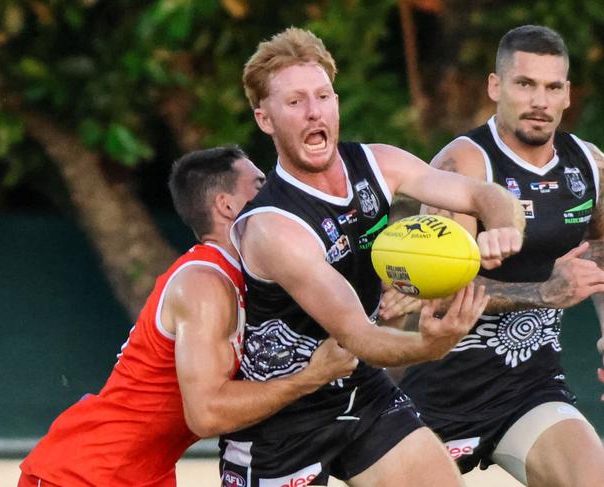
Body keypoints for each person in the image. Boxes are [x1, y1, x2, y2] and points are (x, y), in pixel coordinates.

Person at [219, 28, 525, 487]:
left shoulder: (379, 163)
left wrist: (506, 228)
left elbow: (481, 193)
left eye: (323, 96)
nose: (314, 111)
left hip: (360, 391)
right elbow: (359, 334)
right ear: (265, 120)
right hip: (282, 418)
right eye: (295, 102)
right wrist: (431, 345)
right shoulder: (273, 226)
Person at [17, 145, 358, 487]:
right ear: (226, 206)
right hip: (85, 473)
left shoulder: (246, 280)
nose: (274, 194)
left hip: (137, 473)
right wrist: (311, 378)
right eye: (260, 185)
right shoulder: (204, 284)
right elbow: (207, 413)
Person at [398, 25, 604, 487]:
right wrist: (545, 293)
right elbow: (443, 294)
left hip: (532, 388)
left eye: (552, 87)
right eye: (525, 84)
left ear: (567, 94)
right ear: (496, 87)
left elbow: (602, 251)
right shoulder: (462, 166)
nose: (540, 101)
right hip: (440, 389)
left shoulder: (588, 165)